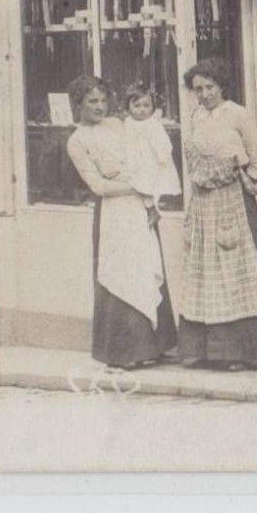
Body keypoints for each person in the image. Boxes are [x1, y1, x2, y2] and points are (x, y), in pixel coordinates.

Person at [66, 75, 176, 370]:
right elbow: (98, 186)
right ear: (78, 104)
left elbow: (143, 158)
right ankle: (126, 350)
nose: (99, 106)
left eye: (103, 100)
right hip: (113, 212)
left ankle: (156, 344)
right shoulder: (77, 141)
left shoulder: (118, 125)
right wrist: (135, 185)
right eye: (92, 101)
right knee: (119, 274)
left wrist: (148, 194)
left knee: (146, 266)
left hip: (139, 206)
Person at [179, 57, 257, 371]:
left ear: (222, 86)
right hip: (204, 202)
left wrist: (248, 179)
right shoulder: (195, 115)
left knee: (235, 270)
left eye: (209, 87)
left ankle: (242, 352)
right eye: (198, 89)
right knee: (204, 272)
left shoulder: (238, 114)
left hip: (232, 201)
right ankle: (204, 350)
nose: (204, 94)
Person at [120, 80, 182, 228]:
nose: (142, 110)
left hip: (148, 162)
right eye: (137, 105)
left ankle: (152, 209)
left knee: (146, 185)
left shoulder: (153, 125)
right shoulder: (127, 122)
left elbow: (163, 144)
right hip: (132, 160)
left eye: (146, 106)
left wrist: (162, 157)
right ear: (128, 107)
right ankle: (149, 209)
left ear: (153, 107)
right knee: (135, 186)